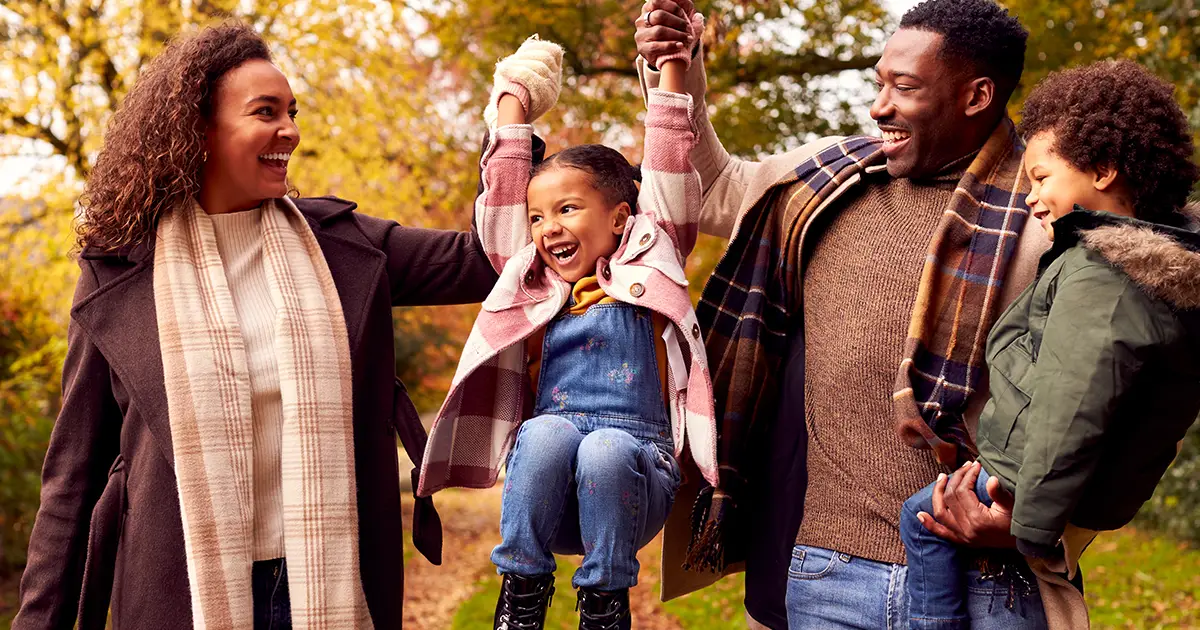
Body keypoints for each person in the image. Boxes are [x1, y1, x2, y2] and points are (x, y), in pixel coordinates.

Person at [14, 21, 507, 629]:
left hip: (326, 590)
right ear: (198, 128)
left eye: (292, 112)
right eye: (266, 112)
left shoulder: (343, 246)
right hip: (179, 599)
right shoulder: (119, 273)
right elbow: (72, 481)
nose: (291, 132)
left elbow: (491, 260)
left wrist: (511, 117)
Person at [633, 0, 1092, 628]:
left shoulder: (1047, 219)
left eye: (903, 87)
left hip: (991, 578)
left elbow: (1116, 398)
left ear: (976, 95)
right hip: (828, 572)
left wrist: (1036, 525)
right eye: (881, 81)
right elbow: (713, 187)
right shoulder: (828, 179)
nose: (879, 105)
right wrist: (679, 72)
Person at [415, 14, 716, 630]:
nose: (547, 226)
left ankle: (605, 604)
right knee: (549, 432)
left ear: (621, 219)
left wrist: (674, 66)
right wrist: (512, 99)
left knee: (605, 447)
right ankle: (521, 591)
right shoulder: (529, 281)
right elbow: (499, 199)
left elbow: (667, 161)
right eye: (538, 216)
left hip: (637, 472)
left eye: (569, 209)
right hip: (548, 478)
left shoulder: (652, 257)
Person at [900, 59, 1200, 630]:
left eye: (1041, 177)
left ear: (1105, 169)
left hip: (1020, 481)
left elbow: (1072, 403)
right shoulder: (1162, 265)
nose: (1031, 197)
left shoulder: (1101, 274)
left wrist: (1028, 527)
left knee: (922, 518)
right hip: (1065, 484)